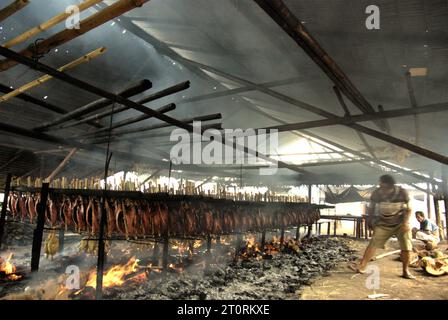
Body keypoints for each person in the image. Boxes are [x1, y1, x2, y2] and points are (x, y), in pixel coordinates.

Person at [350, 174, 414, 279]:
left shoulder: (402, 192)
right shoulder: (377, 193)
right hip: (383, 223)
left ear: (391, 185)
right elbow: (371, 207)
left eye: (384, 187)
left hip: (400, 224)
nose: (382, 189)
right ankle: (362, 267)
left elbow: (409, 209)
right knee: (373, 243)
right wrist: (369, 220)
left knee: (406, 246)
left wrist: (406, 223)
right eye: (380, 186)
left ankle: (405, 271)